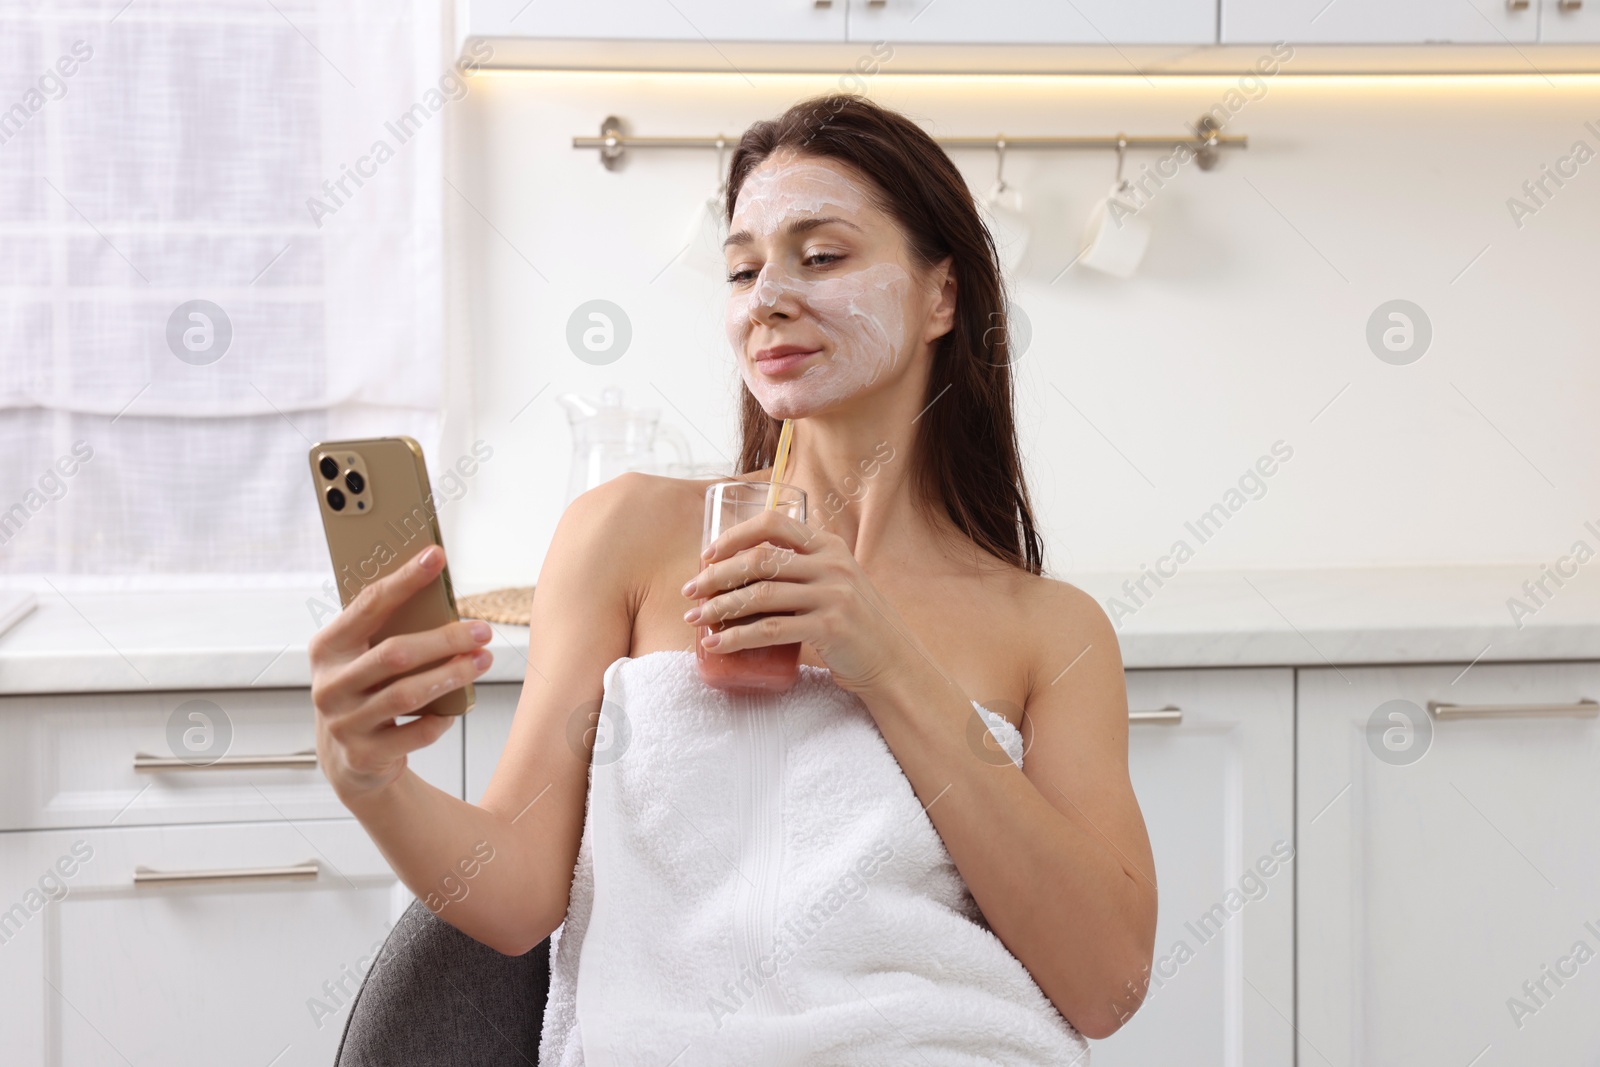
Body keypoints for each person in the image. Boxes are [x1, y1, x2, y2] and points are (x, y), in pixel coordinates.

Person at [309, 92, 1157, 1049]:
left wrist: (884, 658)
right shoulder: (624, 535)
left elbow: (1104, 984)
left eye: (822, 255)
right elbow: (512, 899)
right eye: (743, 268)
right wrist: (370, 779)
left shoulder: (1051, 629)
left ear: (942, 296)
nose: (767, 298)